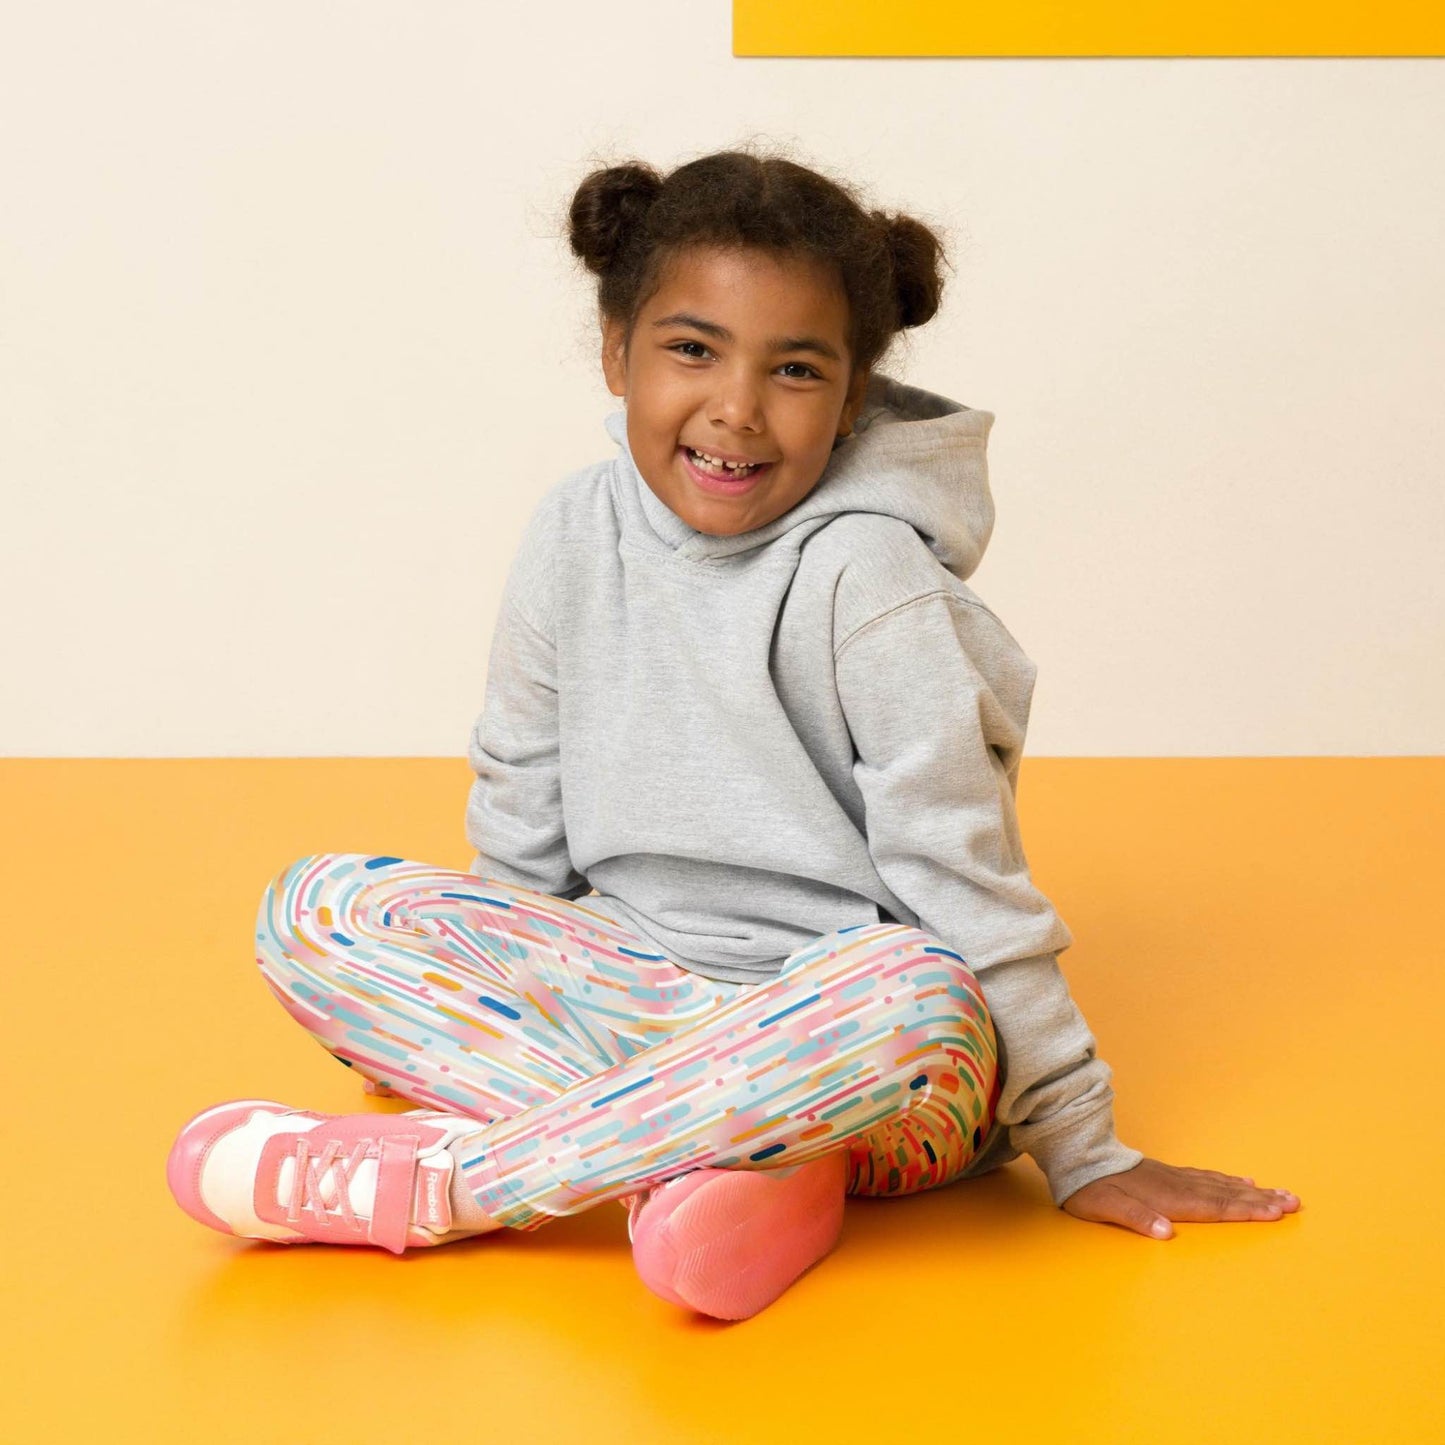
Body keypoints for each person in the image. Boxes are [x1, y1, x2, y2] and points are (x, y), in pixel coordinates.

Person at [165, 146, 1300, 1321]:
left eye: (795, 369)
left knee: (914, 983)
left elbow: (963, 877)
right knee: (316, 907)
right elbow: (521, 805)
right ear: (615, 352)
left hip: (859, 1058)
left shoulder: (867, 576)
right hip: (635, 999)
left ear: (852, 397)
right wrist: (483, 985)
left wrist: (1078, 1142)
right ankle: (728, 1168)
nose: (736, 409)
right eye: (691, 349)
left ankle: (461, 1182)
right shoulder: (570, 531)